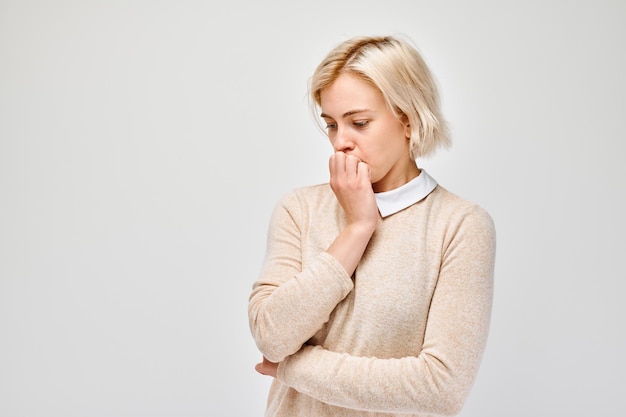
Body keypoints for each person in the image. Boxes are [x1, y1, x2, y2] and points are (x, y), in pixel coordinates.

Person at [248, 34, 496, 417]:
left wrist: (292, 368)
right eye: (331, 125)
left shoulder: (460, 226)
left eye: (359, 123)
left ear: (409, 119)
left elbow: (441, 387)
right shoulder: (300, 208)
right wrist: (358, 227)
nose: (340, 142)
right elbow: (271, 336)